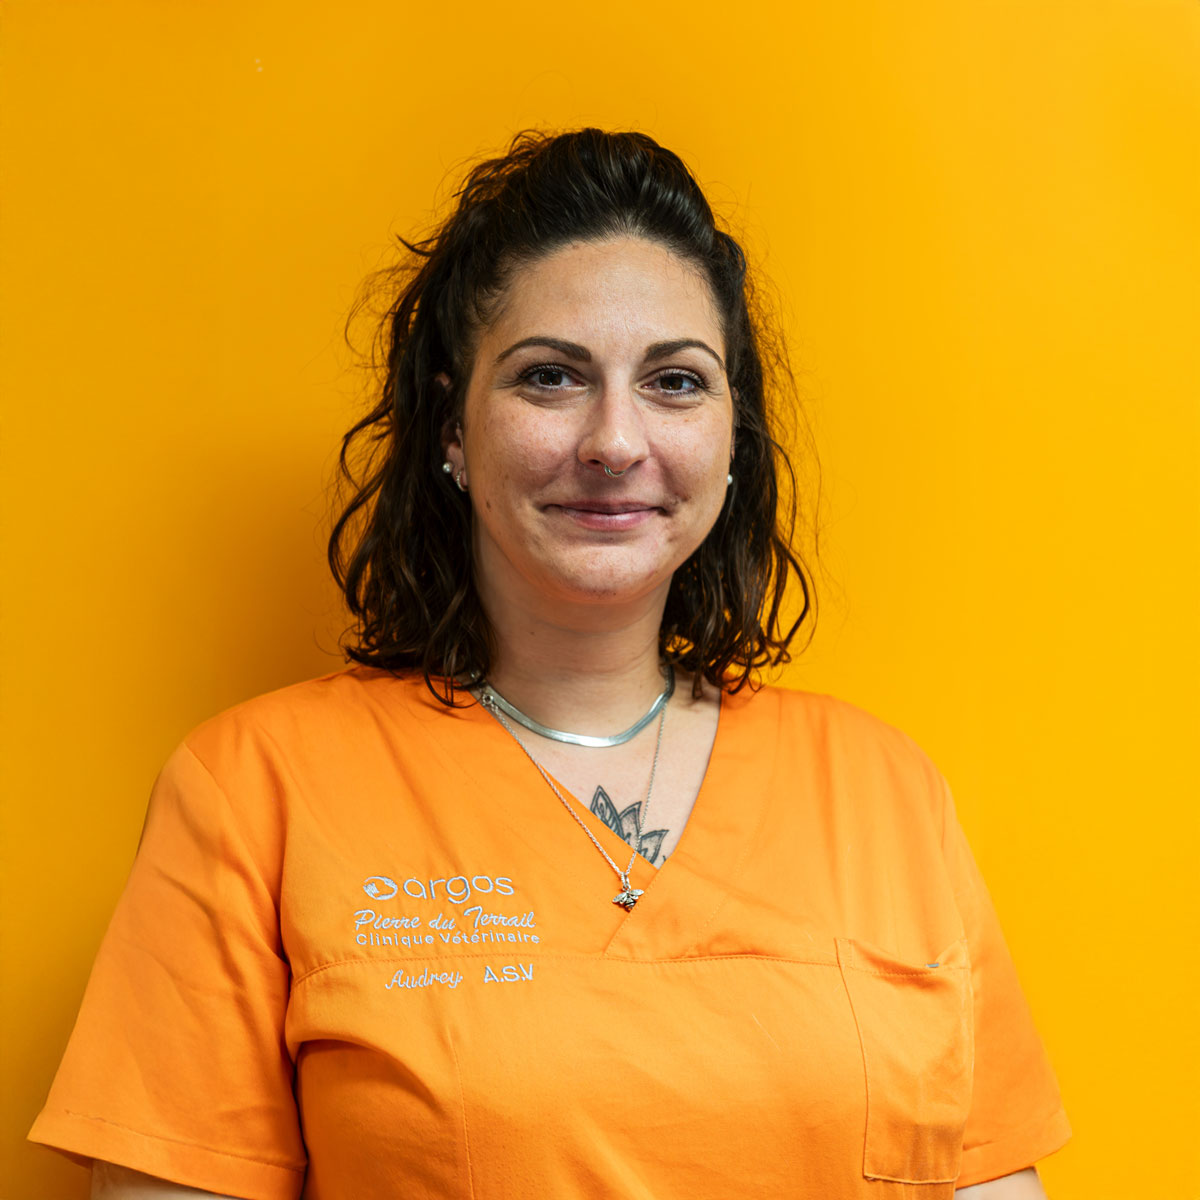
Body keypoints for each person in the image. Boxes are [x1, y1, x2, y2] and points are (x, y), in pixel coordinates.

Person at [30, 129, 1069, 1199]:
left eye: (675, 381)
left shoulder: (888, 794)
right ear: (452, 427)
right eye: (551, 378)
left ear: (732, 438)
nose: (615, 440)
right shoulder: (253, 793)